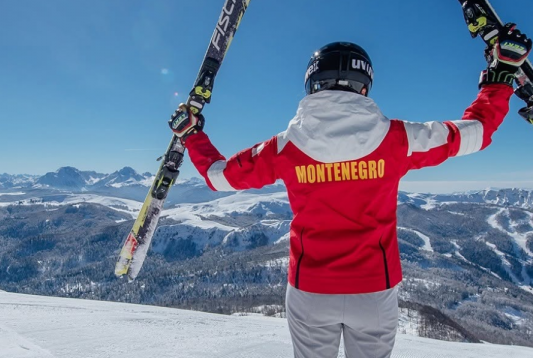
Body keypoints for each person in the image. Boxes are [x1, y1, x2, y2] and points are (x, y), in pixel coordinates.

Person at [168, 24, 531, 358]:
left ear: (312, 83)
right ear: (365, 85)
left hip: (310, 290)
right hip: (375, 289)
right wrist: (499, 79)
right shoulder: (398, 139)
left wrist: (192, 134)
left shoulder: (283, 149)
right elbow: (474, 133)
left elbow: (219, 177)